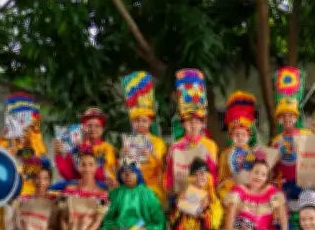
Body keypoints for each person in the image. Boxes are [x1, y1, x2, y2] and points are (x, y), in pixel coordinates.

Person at [0, 93, 51, 230]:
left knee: (19, 206)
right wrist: (10, 151)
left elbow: (44, 163)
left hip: (28, 187)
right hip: (5, 185)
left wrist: (29, 148)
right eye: (17, 118)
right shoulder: (2, 141)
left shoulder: (35, 138)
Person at [164, 69, 219, 203]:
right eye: (189, 121)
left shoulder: (210, 145)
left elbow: (215, 176)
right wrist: (173, 193)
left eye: (197, 121)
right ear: (183, 124)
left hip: (205, 196)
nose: (193, 125)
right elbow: (169, 177)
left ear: (203, 123)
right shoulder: (175, 147)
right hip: (181, 196)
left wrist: (204, 181)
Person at [270, 66, 313, 228]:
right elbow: (272, 168)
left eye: (290, 115)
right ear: (279, 119)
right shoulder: (276, 141)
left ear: (296, 117)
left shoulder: (307, 134)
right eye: (283, 116)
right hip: (285, 185)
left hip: (306, 183)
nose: (287, 119)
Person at [120, 71, 168, 206]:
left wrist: (151, 155)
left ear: (150, 122)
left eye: (144, 120)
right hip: (131, 185)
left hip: (153, 186)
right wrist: (123, 157)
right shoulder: (128, 141)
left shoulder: (158, 142)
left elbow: (165, 166)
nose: (140, 123)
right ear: (132, 122)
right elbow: (123, 171)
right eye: (136, 120)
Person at [223, 159, 288, 230]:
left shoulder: (272, 191)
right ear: (249, 173)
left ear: (266, 178)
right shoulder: (239, 189)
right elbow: (231, 213)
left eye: (263, 174)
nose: (259, 177)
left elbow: (282, 214)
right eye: (256, 172)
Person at [54, 107, 118, 189]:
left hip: (100, 187)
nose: (93, 129)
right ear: (83, 127)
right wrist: (59, 154)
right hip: (78, 187)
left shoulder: (108, 148)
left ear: (102, 129)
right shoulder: (75, 146)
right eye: (89, 125)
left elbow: (105, 175)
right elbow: (68, 174)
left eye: (97, 126)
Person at [217, 91, 258, 200]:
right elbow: (221, 179)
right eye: (236, 134)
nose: (240, 137)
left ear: (249, 136)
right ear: (231, 135)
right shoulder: (225, 154)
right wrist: (228, 184)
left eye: (243, 134)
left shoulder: (254, 154)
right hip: (231, 195)